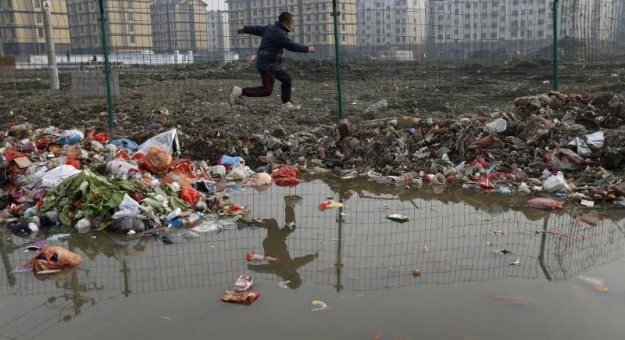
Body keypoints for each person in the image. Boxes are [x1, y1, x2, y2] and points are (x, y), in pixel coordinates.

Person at [230, 12, 315, 111]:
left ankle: (286, 104)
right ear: (286, 21)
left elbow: (257, 29)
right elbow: (292, 46)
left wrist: (244, 29)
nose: (293, 25)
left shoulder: (271, 28)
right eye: (292, 22)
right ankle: (239, 91)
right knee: (266, 90)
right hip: (267, 64)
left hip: (270, 63)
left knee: (286, 79)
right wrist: (308, 49)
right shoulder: (279, 33)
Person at [247, 195, 317, 289]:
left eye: (298, 277)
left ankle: (251, 222)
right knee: (289, 227)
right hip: (276, 242)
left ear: (293, 278)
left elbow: (266, 269)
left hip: (274, 243)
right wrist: (312, 257)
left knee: (273, 223)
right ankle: (288, 204)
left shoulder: (282, 270)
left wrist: (253, 268)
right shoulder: (289, 269)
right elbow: (301, 262)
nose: (299, 275)